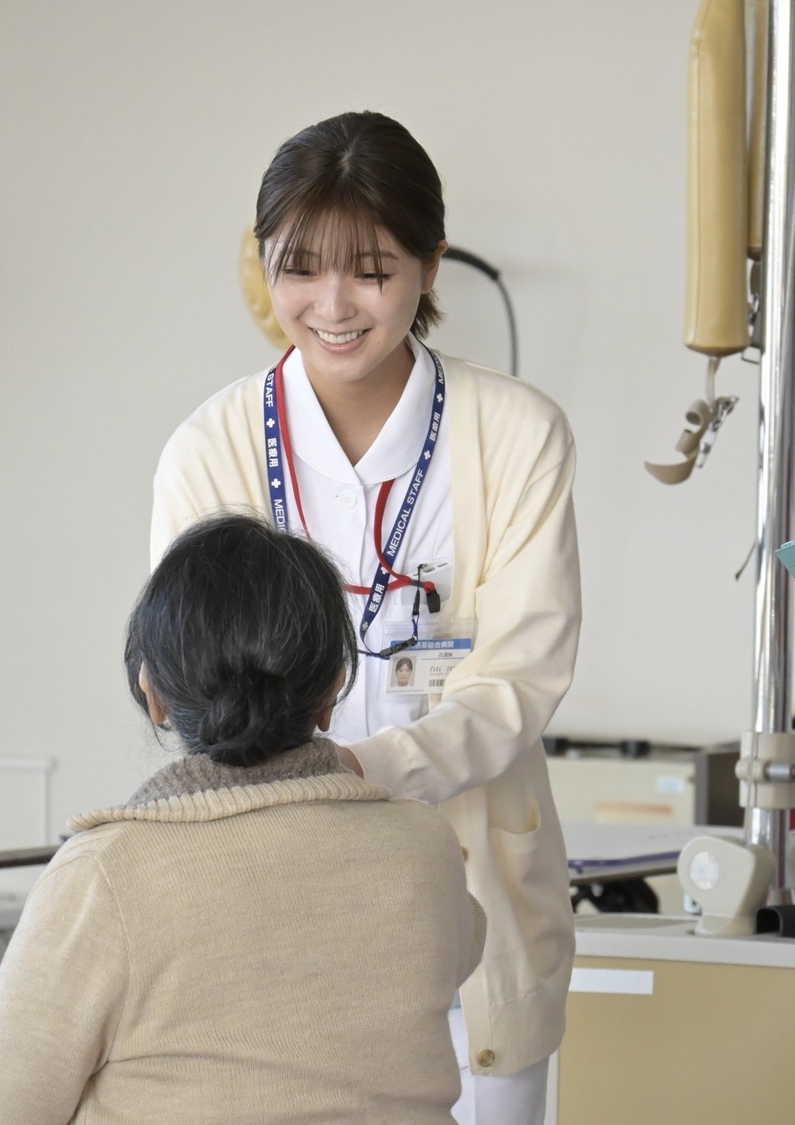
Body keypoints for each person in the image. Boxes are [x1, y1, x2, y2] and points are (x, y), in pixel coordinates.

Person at [150, 110, 581, 1125]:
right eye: (299, 267)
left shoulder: (515, 435)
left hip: (469, 901)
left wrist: (360, 771)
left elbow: (517, 681)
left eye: (372, 271)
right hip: (268, 906)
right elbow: (193, 685)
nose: (332, 306)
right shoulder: (208, 450)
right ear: (263, 267)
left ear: (430, 268)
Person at [0, 513, 485, 1124]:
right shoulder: (424, 845)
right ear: (333, 689)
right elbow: (466, 940)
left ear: (153, 693)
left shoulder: (105, 877)